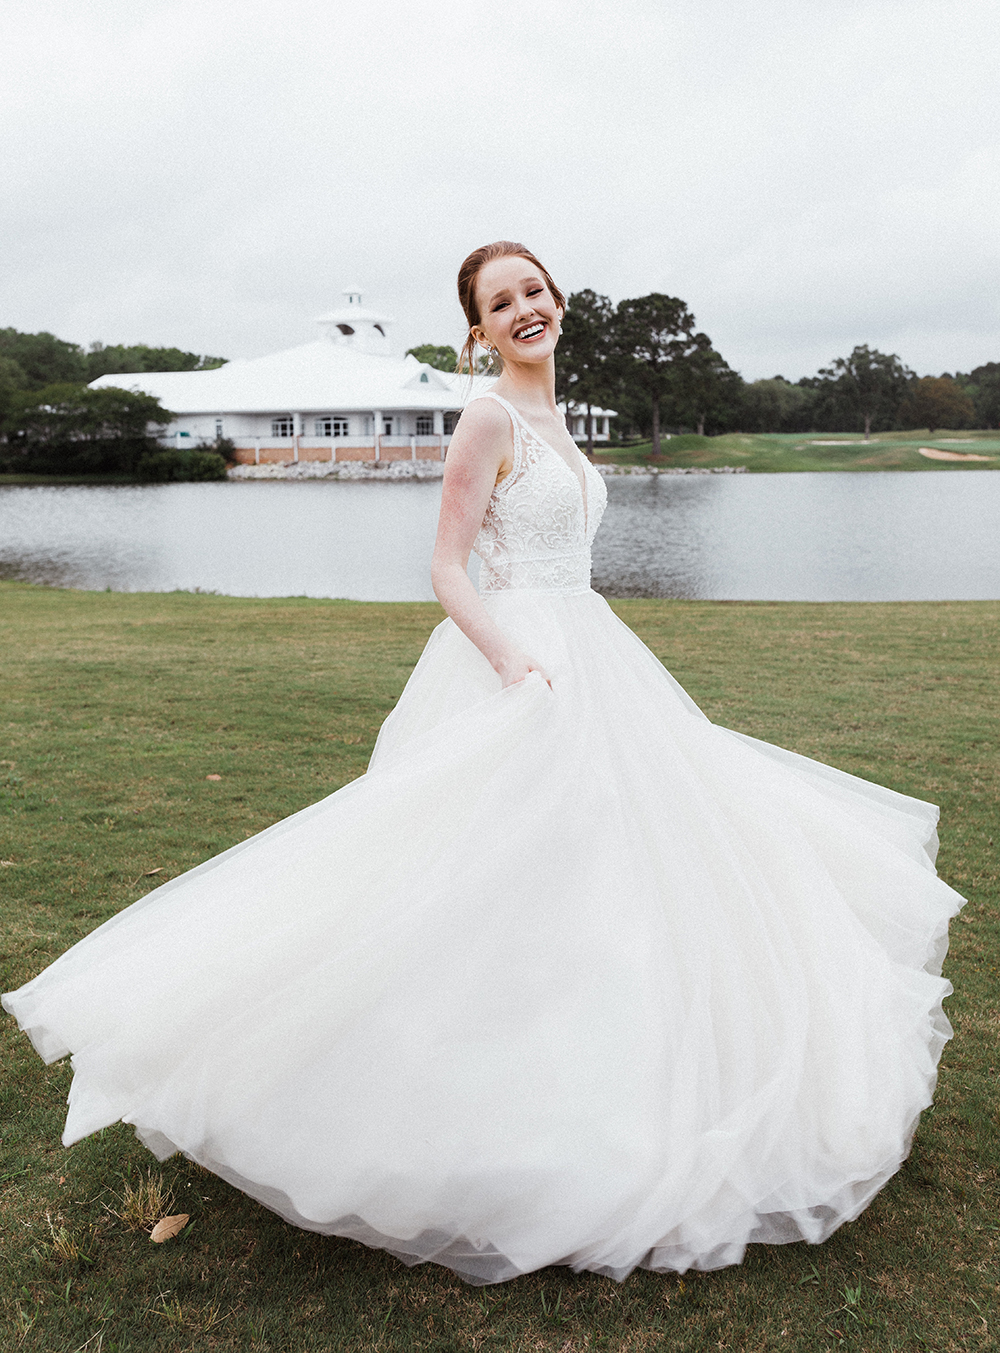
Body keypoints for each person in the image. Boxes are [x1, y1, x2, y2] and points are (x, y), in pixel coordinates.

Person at [3, 241, 963, 1285]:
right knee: (479, 881)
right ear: (477, 328)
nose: (523, 310)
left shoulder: (555, 418)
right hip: (515, 664)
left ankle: (621, 1089)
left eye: (534, 292)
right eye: (500, 302)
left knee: (635, 872)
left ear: (558, 303)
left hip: (594, 657)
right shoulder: (488, 416)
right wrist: (509, 657)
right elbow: (446, 563)